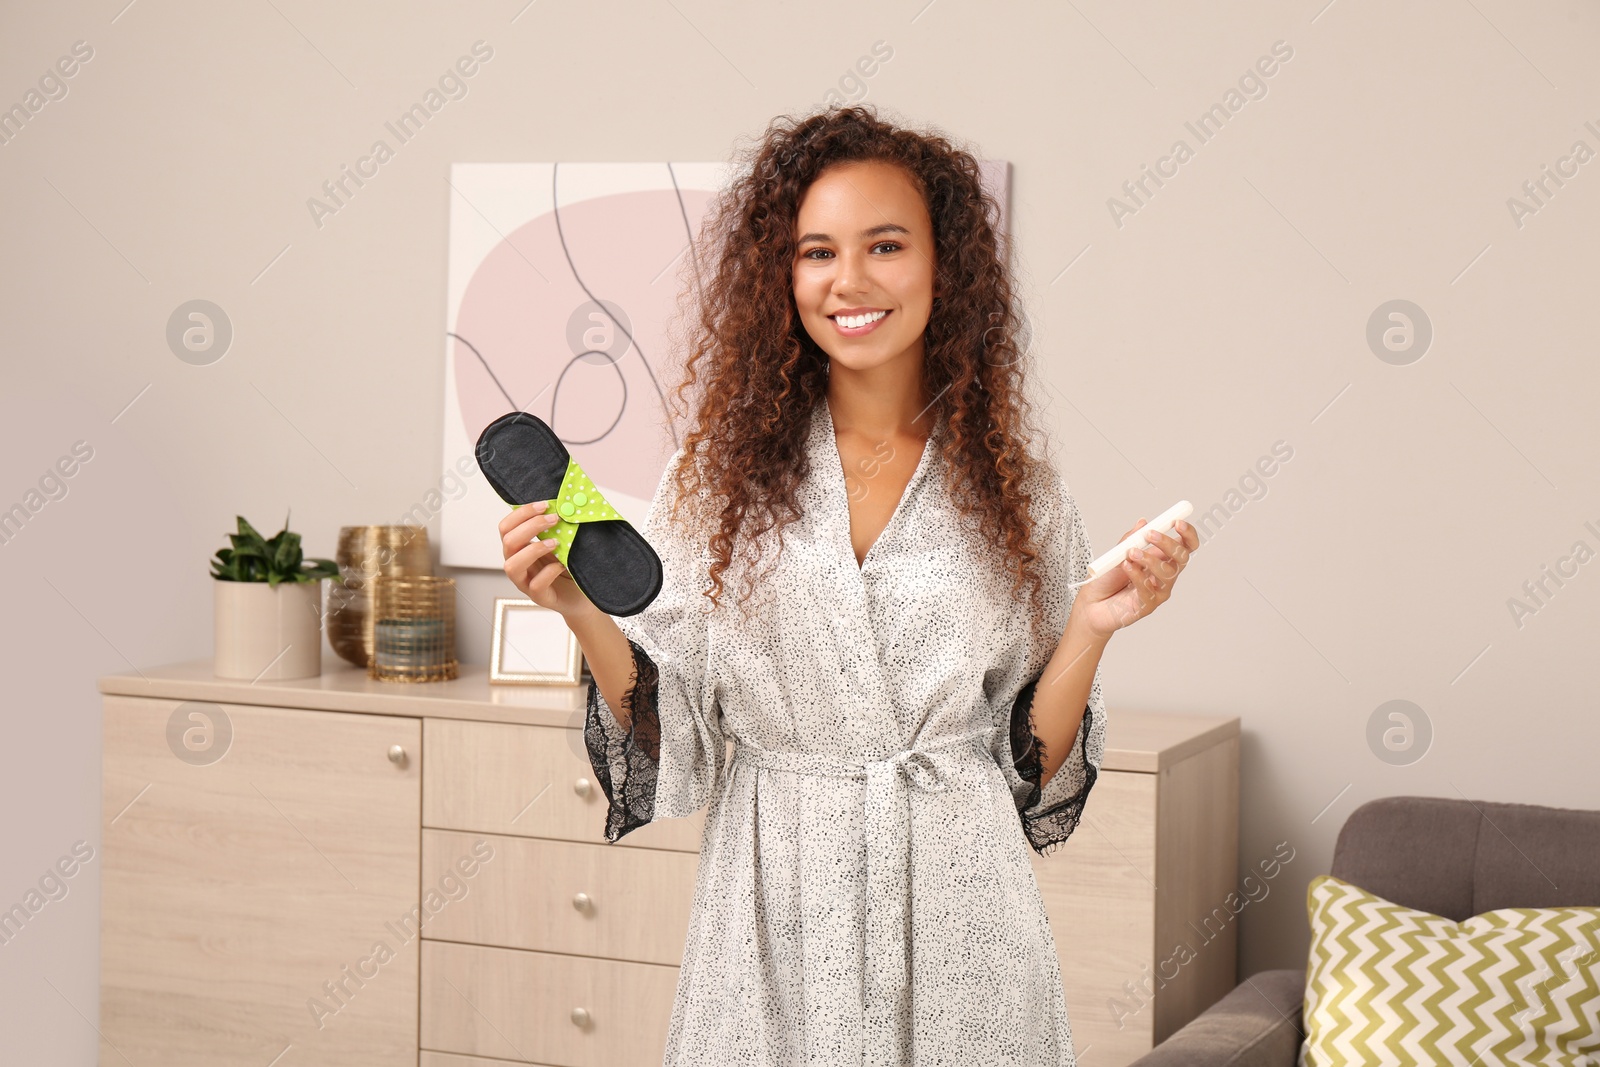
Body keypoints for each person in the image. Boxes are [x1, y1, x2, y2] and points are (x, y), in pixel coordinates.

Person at [497, 104, 1198, 1067]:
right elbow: (679, 741)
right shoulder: (715, 486)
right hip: (774, 907)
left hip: (965, 915)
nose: (849, 280)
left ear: (943, 265)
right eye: (816, 251)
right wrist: (579, 607)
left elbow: (1030, 776)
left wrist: (1092, 624)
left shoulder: (1019, 494)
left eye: (885, 245)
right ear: (781, 277)